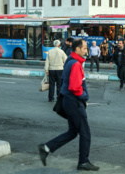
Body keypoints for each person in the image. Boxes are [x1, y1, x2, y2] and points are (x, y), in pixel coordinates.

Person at [38, 39, 99, 171]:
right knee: (85, 133)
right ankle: (83, 162)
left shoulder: (70, 60)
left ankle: (46, 148)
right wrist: (84, 97)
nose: (86, 51)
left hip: (67, 101)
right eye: (84, 48)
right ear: (77, 49)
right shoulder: (76, 64)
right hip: (74, 102)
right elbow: (75, 87)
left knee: (73, 132)